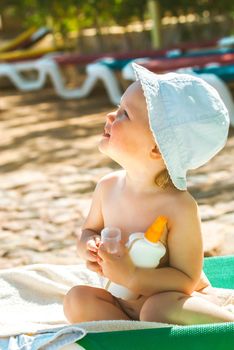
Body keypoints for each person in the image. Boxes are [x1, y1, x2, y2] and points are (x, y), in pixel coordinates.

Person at [63, 63, 234, 325]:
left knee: (156, 310)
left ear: (156, 147)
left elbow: (187, 279)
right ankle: (133, 337)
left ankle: (225, 327)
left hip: (171, 302)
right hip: (121, 302)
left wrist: (132, 276)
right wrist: (88, 246)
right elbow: (89, 230)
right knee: (77, 299)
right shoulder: (107, 187)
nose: (111, 115)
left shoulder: (178, 206)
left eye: (124, 114)